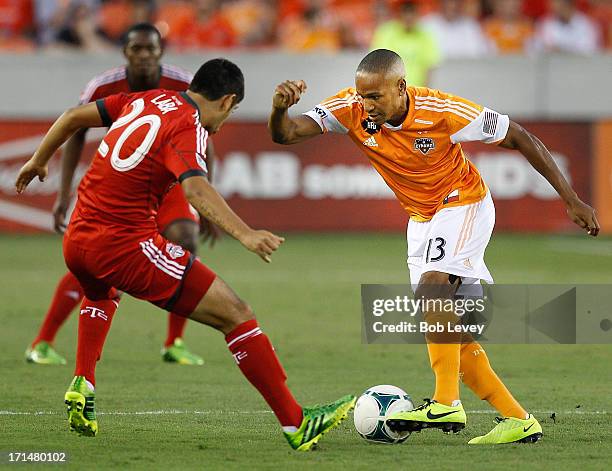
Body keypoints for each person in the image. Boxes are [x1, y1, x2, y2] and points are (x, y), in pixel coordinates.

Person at [15, 57, 354, 450]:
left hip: (77, 240)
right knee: (237, 314)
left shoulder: (148, 98)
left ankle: (82, 382)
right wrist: (246, 235)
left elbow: (73, 116)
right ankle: (297, 423)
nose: (225, 122)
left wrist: (38, 160)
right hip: (124, 245)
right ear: (227, 101)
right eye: (234, 111)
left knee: (100, 294)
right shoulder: (189, 126)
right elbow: (194, 190)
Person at [268, 49, 599, 445]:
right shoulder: (350, 110)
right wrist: (278, 110)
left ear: (401, 88)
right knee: (448, 331)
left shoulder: (442, 110)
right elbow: (286, 133)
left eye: (375, 97)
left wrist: (570, 198)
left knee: (431, 290)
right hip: (422, 219)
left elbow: (520, 136)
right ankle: (518, 419)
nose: (366, 105)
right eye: (361, 96)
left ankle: (445, 401)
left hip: (464, 203)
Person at [25, 23, 217, 367]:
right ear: (124, 53)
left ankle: (174, 342)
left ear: (161, 52)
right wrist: (64, 194)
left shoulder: (185, 84)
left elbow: (205, 139)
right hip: (122, 187)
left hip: (169, 181)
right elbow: (75, 130)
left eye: (151, 50)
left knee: (186, 238)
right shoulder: (104, 86)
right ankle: (43, 341)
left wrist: (207, 202)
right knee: (99, 262)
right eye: (136, 50)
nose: (144, 56)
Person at [370, 0, 440, 86]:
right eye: (405, 11)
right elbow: (378, 65)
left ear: (417, 13)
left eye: (412, 11)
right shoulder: (386, 32)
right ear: (398, 13)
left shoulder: (426, 35)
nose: (408, 16)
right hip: (391, 91)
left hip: (416, 91)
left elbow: (429, 68)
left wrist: (424, 93)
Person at [534, 0, 600, 54]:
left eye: (558, 3)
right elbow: (537, 47)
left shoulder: (587, 25)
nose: (553, 7)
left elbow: (590, 50)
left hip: (580, 67)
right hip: (554, 66)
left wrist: (562, 50)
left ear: (568, 5)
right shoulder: (547, 24)